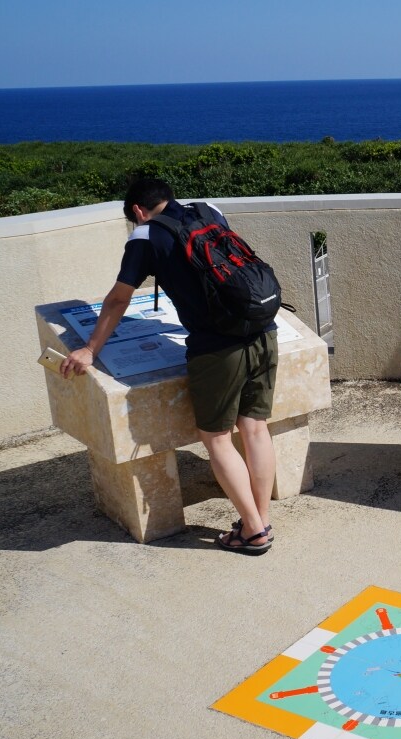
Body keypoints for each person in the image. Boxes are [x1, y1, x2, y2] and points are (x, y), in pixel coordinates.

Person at [61, 178, 277, 555]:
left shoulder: (145, 236)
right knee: (255, 427)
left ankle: (254, 533)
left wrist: (90, 349)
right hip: (262, 329)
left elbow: (117, 300)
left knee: (217, 437)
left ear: (138, 211)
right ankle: (259, 521)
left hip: (217, 348)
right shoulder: (209, 212)